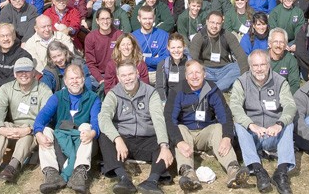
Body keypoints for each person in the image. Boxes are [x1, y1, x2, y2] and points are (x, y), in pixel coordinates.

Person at [164, 60, 249, 191]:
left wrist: (227, 137)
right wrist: (179, 142)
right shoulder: (177, 91)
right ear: (186, 76)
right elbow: (170, 119)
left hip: (205, 132)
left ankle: (233, 170)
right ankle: (189, 174)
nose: (194, 76)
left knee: (218, 128)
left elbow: (225, 115)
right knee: (179, 128)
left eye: (198, 72)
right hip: (185, 133)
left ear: (204, 74)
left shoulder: (212, 89)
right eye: (190, 73)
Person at [98, 61, 173, 194]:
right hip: (123, 143)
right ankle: (123, 179)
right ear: (118, 77)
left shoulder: (151, 93)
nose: (128, 78)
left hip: (147, 139)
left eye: (130, 74)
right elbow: (103, 118)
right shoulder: (113, 94)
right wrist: (117, 139)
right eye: (124, 75)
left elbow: (158, 119)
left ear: (137, 73)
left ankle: (152, 181)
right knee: (104, 136)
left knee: (168, 140)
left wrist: (163, 145)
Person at [230, 50, 296, 194]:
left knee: (288, 123)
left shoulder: (280, 81)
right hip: (253, 135)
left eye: (263, 64)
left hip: (273, 133)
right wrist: (250, 125)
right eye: (255, 65)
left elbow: (290, 106)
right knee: (239, 124)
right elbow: (234, 106)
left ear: (269, 64)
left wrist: (279, 124)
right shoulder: (241, 82)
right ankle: (258, 169)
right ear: (250, 67)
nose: (259, 68)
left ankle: (281, 172)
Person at [0, 57, 52, 184]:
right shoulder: (6, 88)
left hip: (34, 128)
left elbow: (47, 115)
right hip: (13, 127)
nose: (23, 74)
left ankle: (12, 167)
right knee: (3, 127)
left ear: (34, 72)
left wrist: (29, 129)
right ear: (14, 73)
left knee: (27, 136)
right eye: (19, 71)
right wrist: (1, 128)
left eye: (27, 71)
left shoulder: (44, 90)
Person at [34, 63, 101, 194]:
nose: (75, 81)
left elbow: (96, 121)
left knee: (86, 126)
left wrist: (92, 133)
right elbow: (41, 117)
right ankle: (51, 173)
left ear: (83, 79)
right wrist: (37, 133)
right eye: (71, 78)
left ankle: (79, 172)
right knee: (45, 130)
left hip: (83, 141)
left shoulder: (93, 98)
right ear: (65, 81)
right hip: (62, 138)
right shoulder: (57, 97)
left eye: (78, 78)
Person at [188, 10, 248, 92]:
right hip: (206, 70)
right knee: (195, 68)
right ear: (207, 22)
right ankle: (223, 86)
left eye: (218, 23)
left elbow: (241, 56)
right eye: (212, 22)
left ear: (222, 24)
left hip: (225, 70)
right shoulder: (199, 37)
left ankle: (212, 90)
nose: (215, 26)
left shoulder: (228, 36)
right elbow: (193, 58)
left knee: (238, 67)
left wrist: (244, 78)